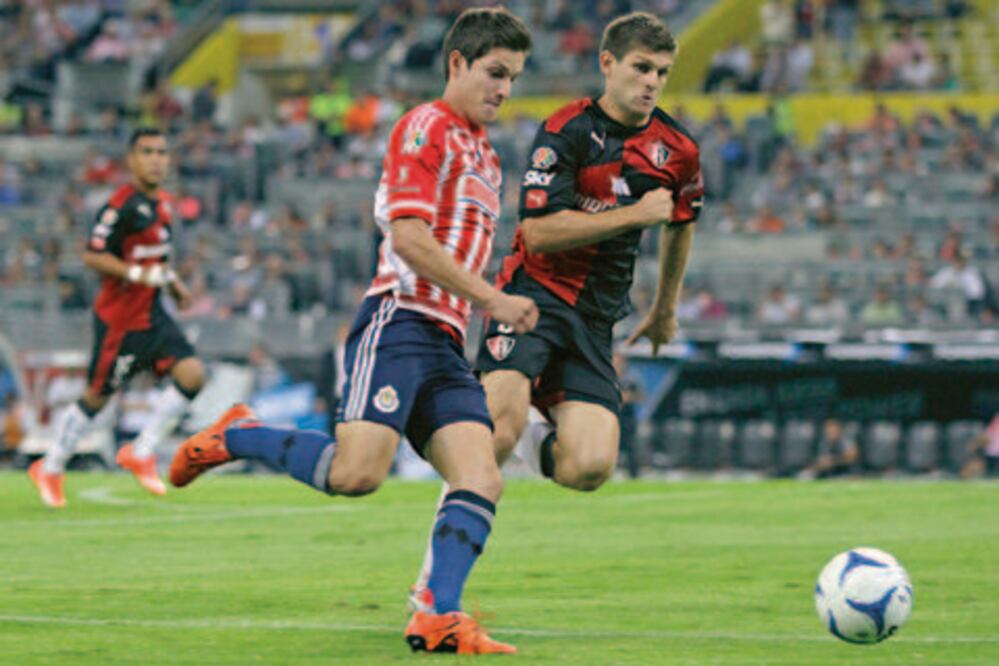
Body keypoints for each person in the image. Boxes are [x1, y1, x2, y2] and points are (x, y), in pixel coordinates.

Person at [167, 8, 535, 655]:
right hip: (397, 321)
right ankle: (238, 434)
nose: (503, 89)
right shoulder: (426, 128)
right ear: (457, 64)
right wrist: (491, 299)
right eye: (494, 72)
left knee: (480, 476)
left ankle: (436, 615)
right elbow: (410, 239)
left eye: (513, 78)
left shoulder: (485, 154)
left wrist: (496, 302)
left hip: (447, 342)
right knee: (355, 474)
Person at [410, 10, 702, 600]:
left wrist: (665, 307)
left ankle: (525, 433)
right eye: (641, 68)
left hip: (596, 320)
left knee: (588, 468)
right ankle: (432, 591)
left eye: (662, 73)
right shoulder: (567, 130)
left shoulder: (677, 149)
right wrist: (635, 215)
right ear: (608, 64)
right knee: (492, 431)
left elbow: (681, 223)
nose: (651, 82)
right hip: (533, 298)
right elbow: (538, 233)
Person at [28, 128, 205, 507]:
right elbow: (92, 254)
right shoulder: (121, 204)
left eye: (161, 151)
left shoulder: (164, 205)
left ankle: (142, 451)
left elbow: (157, 256)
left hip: (153, 313)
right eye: (147, 152)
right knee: (98, 397)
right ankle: (52, 465)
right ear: (132, 160)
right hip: (120, 322)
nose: (156, 158)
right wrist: (137, 275)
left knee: (193, 375)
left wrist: (173, 284)